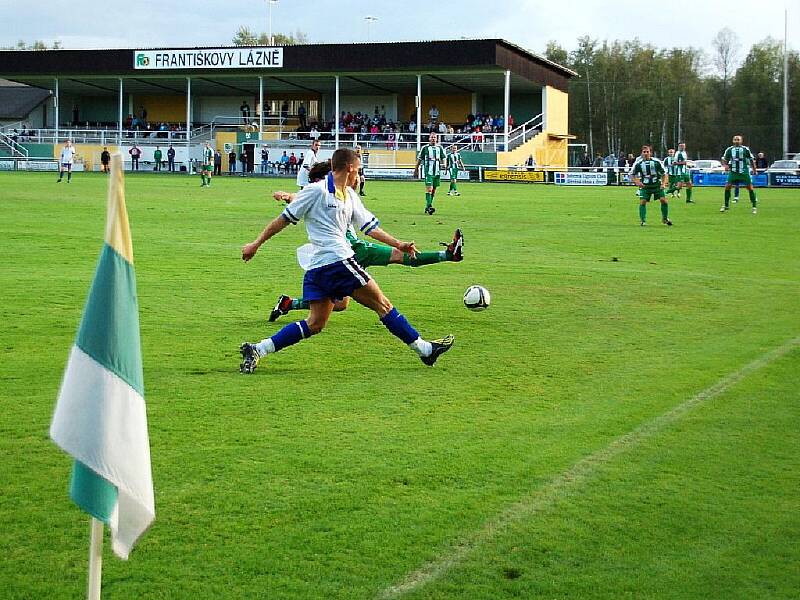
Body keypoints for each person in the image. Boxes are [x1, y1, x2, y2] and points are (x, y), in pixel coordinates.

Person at [238, 147, 455, 374]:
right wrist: (256, 244)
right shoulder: (317, 191)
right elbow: (283, 219)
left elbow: (370, 228)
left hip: (319, 269)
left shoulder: (350, 196)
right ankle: (425, 350)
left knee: (315, 324)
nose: (360, 175)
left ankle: (258, 349)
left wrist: (398, 243)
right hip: (337, 261)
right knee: (383, 305)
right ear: (350, 167)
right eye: (359, 170)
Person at [268, 161, 464, 322]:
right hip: (351, 250)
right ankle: (448, 255)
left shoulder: (341, 195)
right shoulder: (317, 192)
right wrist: (287, 196)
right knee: (399, 256)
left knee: (340, 304)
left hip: (343, 254)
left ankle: (289, 304)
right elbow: (299, 198)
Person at [631, 145, 671, 227]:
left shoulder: (656, 162)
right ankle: (643, 221)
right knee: (643, 202)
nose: (646, 153)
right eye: (644, 152)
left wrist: (663, 184)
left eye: (647, 152)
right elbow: (632, 174)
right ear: (642, 153)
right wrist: (637, 182)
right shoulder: (638, 163)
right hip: (645, 186)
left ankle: (665, 218)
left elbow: (664, 174)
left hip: (656, 185)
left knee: (664, 200)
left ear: (650, 153)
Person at [720, 135, 758, 214]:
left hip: (743, 171)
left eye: (738, 139)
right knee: (727, 187)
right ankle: (726, 205)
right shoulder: (730, 149)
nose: (736, 141)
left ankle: (754, 206)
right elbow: (724, 159)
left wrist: (754, 169)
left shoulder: (745, 149)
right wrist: (725, 165)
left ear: (741, 141)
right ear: (733, 141)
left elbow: (751, 160)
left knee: (750, 188)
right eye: (735, 139)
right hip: (733, 171)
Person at [415, 132, 447, 215]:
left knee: (433, 190)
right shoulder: (425, 148)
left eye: (435, 137)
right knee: (429, 189)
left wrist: (445, 165)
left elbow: (443, 157)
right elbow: (419, 159)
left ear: (437, 139)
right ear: (429, 138)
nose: (433, 139)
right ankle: (429, 206)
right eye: (432, 137)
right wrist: (416, 169)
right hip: (428, 172)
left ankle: (427, 206)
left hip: (437, 172)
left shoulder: (440, 148)